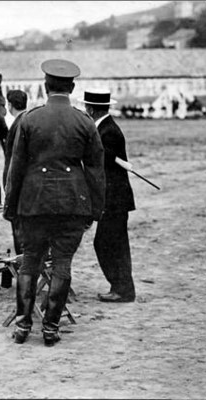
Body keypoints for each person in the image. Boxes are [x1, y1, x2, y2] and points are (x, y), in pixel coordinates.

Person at [4, 59, 105, 347]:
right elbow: (97, 171)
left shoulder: (28, 119)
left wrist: (11, 207)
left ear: (45, 86)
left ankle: (23, 327)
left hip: (34, 204)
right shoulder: (85, 121)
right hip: (73, 204)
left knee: (30, 264)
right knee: (62, 265)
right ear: (72, 87)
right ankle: (50, 329)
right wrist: (94, 210)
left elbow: (15, 167)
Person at [82, 90, 137, 303]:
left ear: (91, 109)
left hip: (114, 199)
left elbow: (104, 163)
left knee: (109, 243)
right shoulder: (104, 128)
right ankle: (122, 287)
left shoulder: (108, 131)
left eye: (86, 108)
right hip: (114, 198)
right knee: (112, 243)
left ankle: (122, 289)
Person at [1, 89, 28, 288]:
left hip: (19, 189)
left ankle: (24, 275)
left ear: (10, 106)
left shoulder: (18, 124)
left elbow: (14, 161)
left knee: (20, 234)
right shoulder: (29, 119)